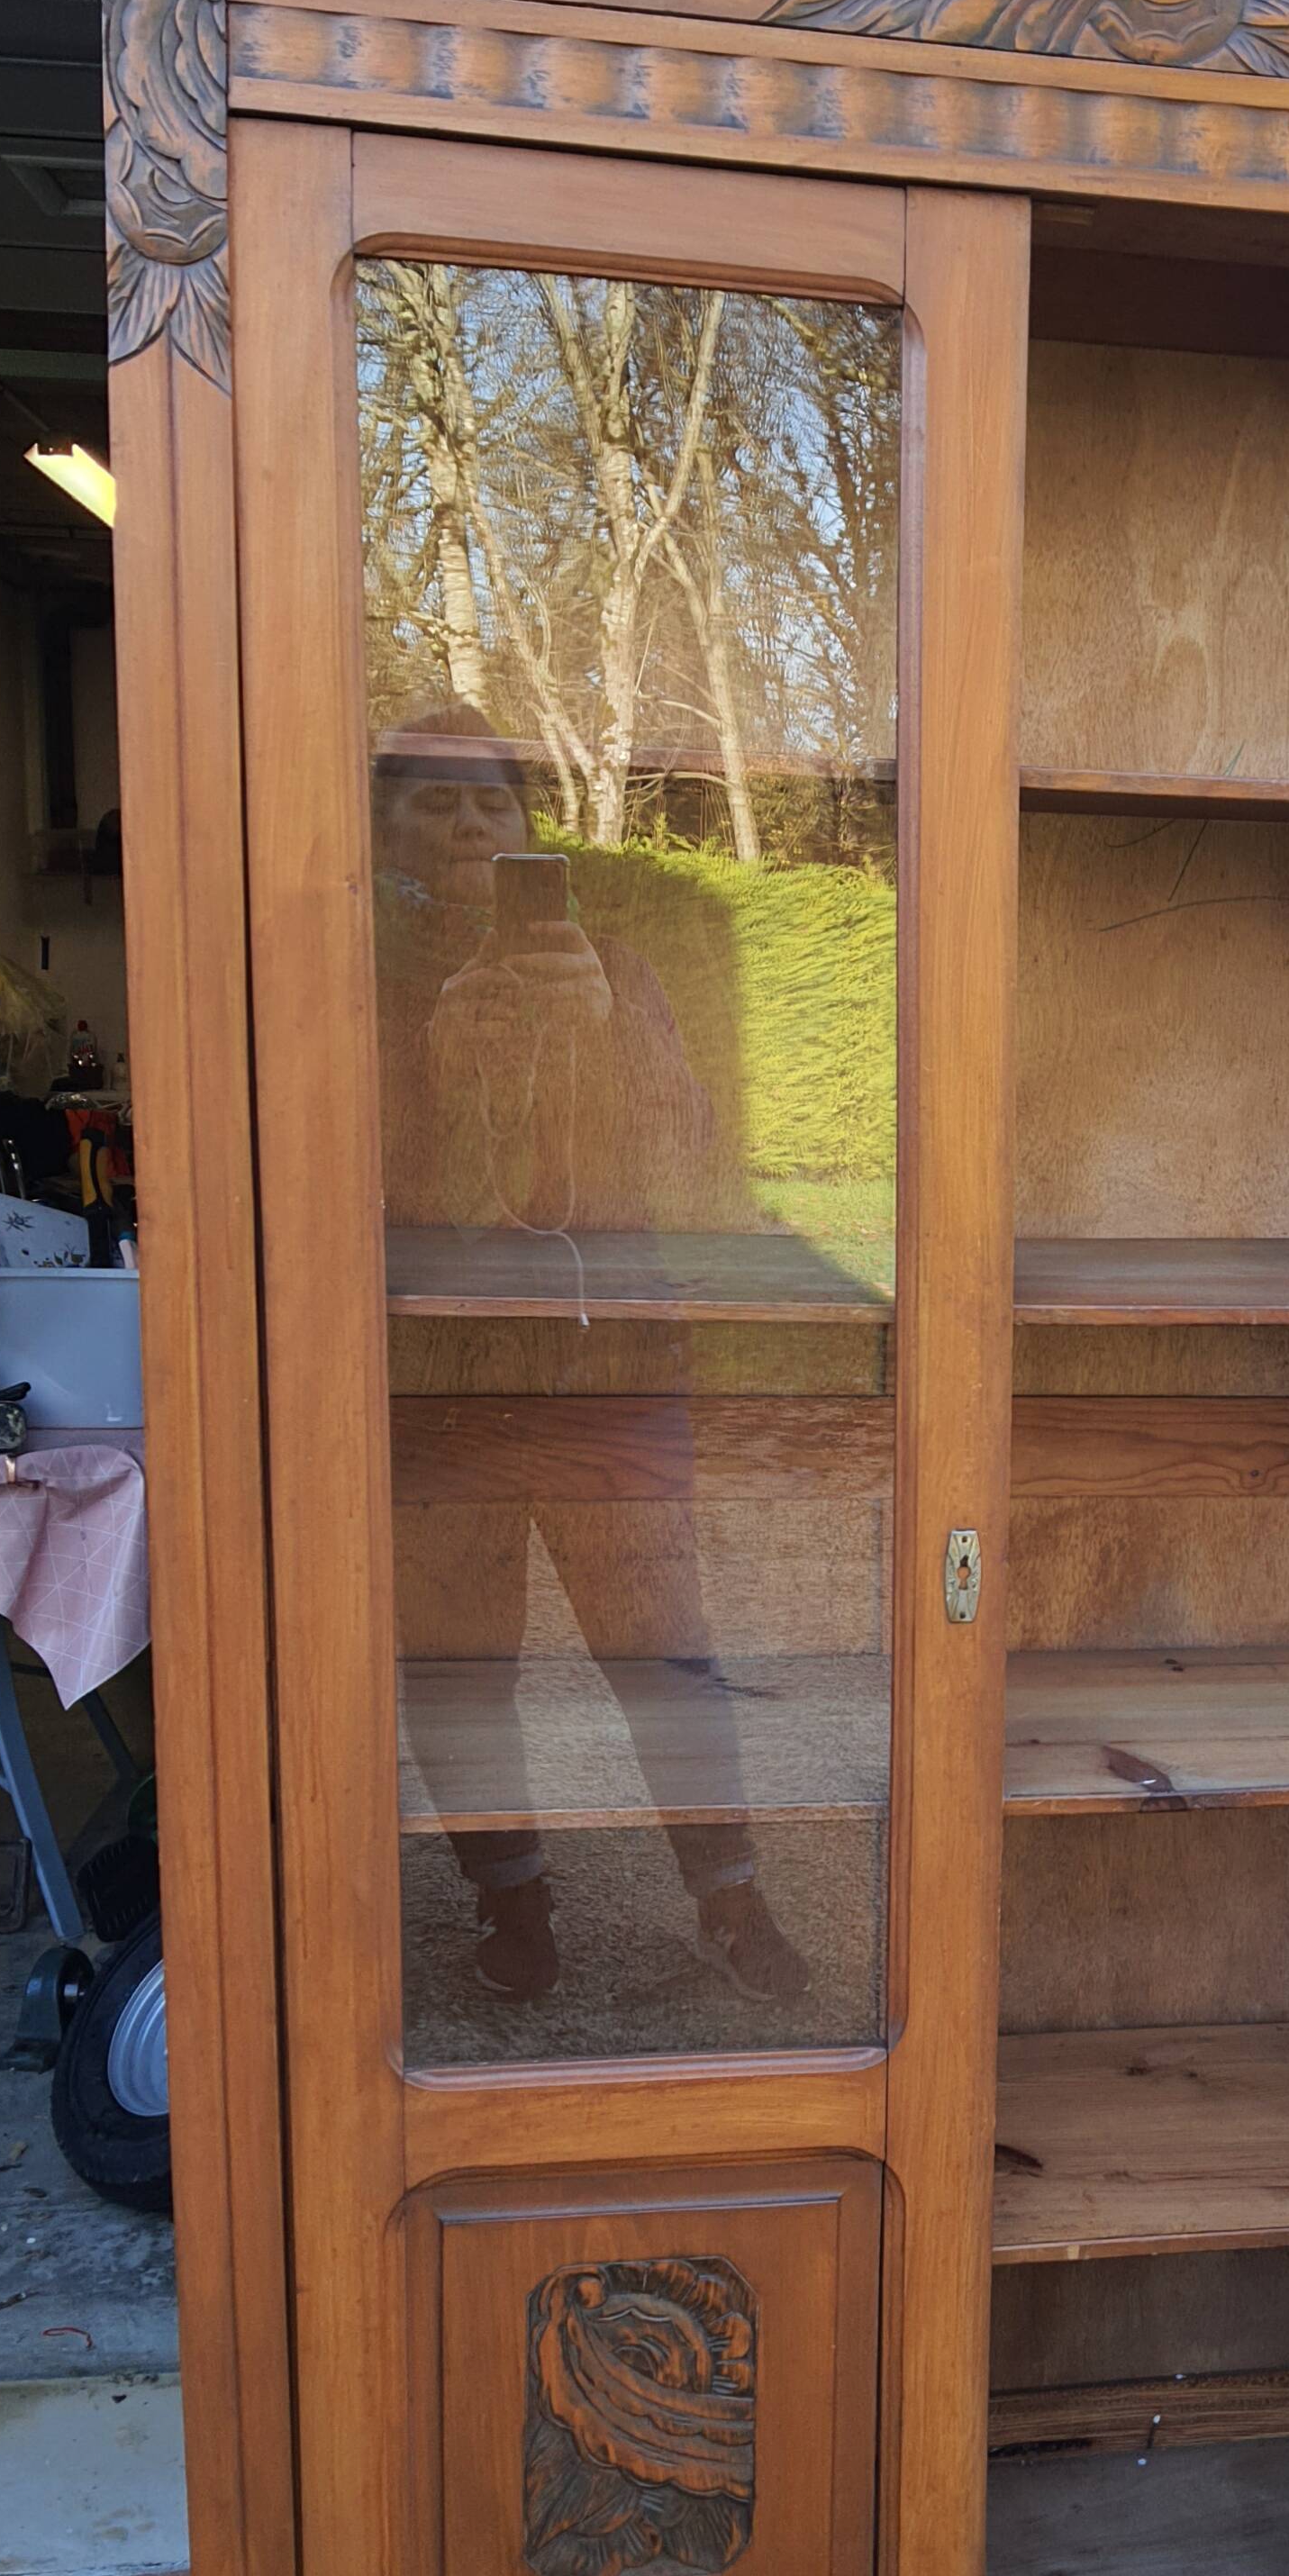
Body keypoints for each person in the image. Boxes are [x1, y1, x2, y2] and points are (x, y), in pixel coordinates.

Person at [372, 703, 808, 2010]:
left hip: (608, 1371)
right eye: (431, 801)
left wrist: (609, 1027)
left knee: (663, 1646)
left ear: (528, 831)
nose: (465, 823)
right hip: (433, 1388)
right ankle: (514, 1910)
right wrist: (443, 1051)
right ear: (383, 829)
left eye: (491, 802)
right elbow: (358, 1192)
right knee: (455, 1664)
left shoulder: (615, 965)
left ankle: (730, 1902)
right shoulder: (357, 987)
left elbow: (692, 1164)